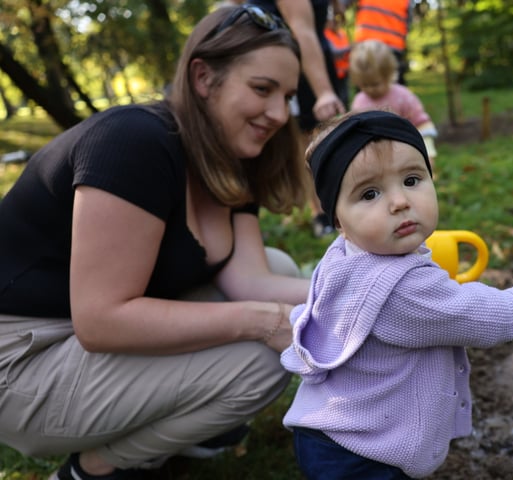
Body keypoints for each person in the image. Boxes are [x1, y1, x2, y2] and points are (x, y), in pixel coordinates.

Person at [0, 5, 312, 479]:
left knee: (281, 268)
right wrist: (265, 322)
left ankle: (180, 428)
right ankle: (96, 469)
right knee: (262, 359)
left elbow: (251, 279)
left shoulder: (231, 157)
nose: (277, 113)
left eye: (286, 96)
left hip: (76, 343)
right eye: (262, 89)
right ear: (204, 78)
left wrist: (364, 288)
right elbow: (100, 321)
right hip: (20, 362)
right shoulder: (133, 142)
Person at [280, 110, 513, 479]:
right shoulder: (404, 291)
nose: (399, 202)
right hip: (365, 454)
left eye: (411, 179)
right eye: (370, 193)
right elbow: (480, 316)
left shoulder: (340, 259)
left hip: (328, 432)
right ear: (340, 221)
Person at [249, 0, 349, 237]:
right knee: (309, 141)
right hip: (298, 59)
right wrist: (323, 92)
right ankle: (323, 212)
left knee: (317, 137)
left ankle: (335, 207)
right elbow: (301, 30)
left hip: (311, 52)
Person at [349, 39, 438, 170]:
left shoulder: (403, 96)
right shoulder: (359, 101)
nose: (370, 89)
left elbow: (422, 124)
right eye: (364, 85)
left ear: (389, 75)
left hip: (407, 157)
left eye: (375, 84)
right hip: (375, 163)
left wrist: (428, 153)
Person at [345, 0, 412, 85]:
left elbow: (342, 5)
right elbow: (408, 23)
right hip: (390, 47)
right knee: (393, 87)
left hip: (368, 45)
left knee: (368, 86)